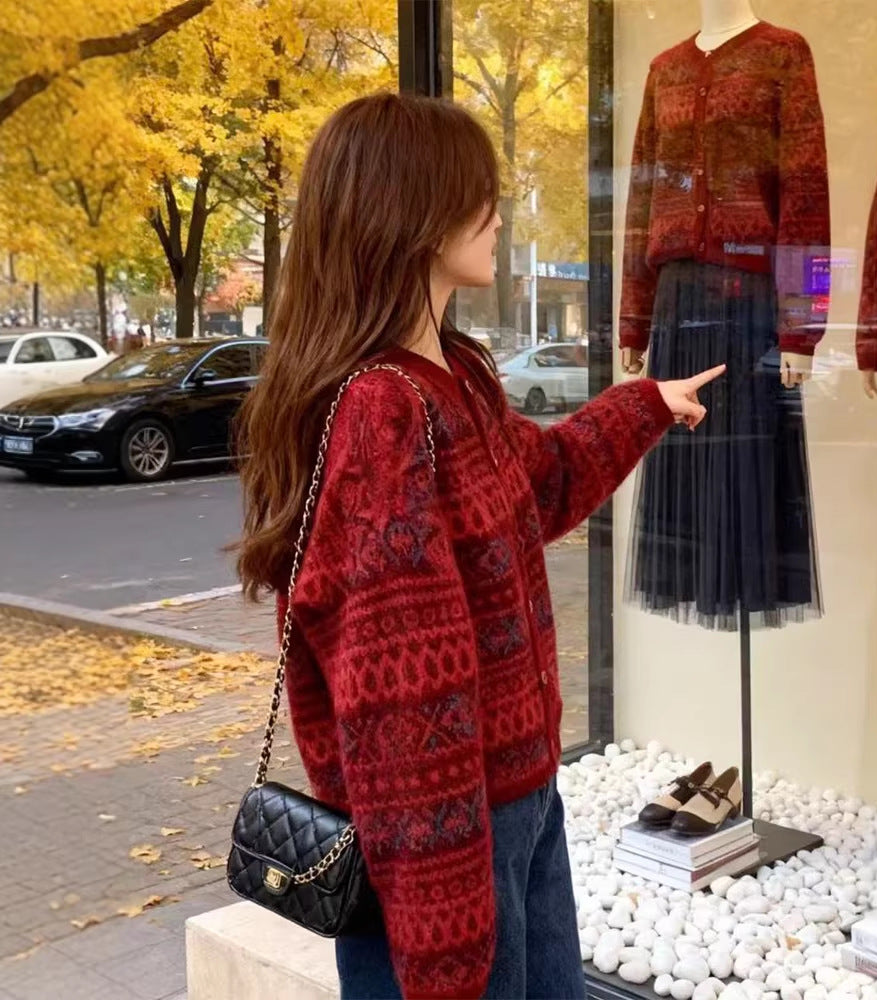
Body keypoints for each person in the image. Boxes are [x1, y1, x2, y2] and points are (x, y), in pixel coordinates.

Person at [234, 92, 724, 1000]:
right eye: (478, 196)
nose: (498, 216)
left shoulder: (452, 374)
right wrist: (443, 931)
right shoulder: (383, 411)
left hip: (517, 809)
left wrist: (646, 404)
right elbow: (401, 694)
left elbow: (540, 483)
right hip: (446, 853)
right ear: (417, 217)